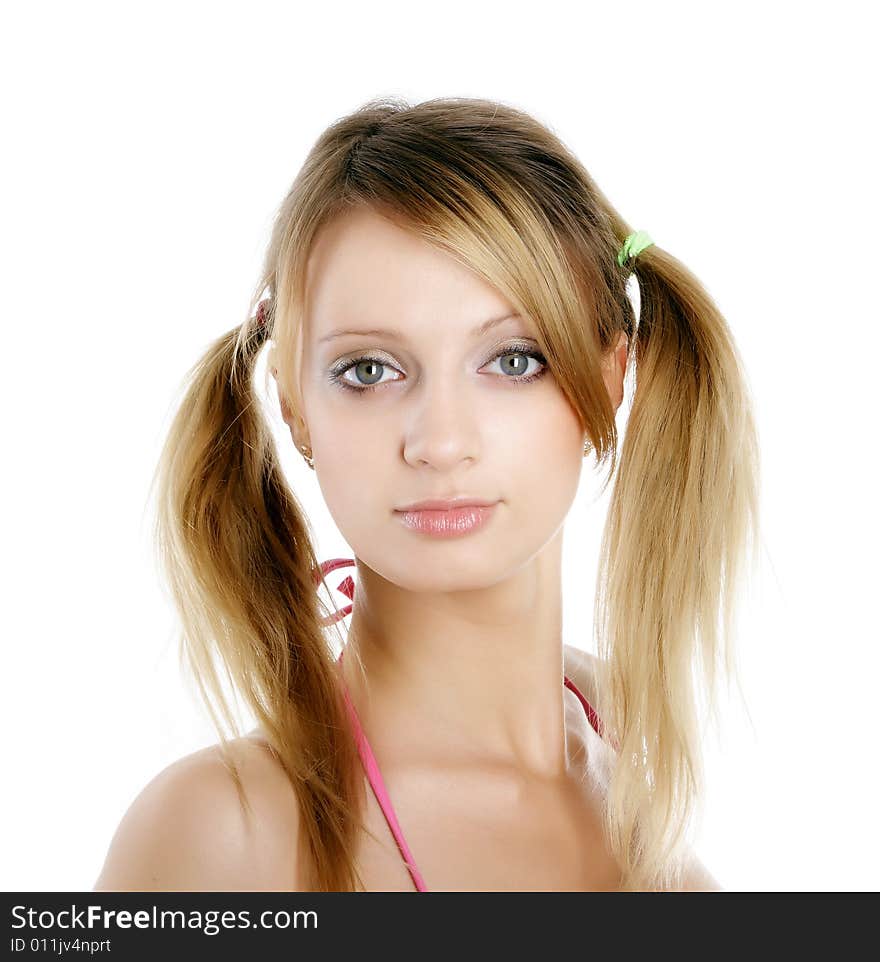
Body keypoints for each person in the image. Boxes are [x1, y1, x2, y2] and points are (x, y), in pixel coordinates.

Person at [94, 96, 759, 893]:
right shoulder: (222, 840)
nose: (440, 442)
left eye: (514, 360)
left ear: (609, 379)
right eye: (369, 371)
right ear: (295, 408)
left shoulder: (653, 805)